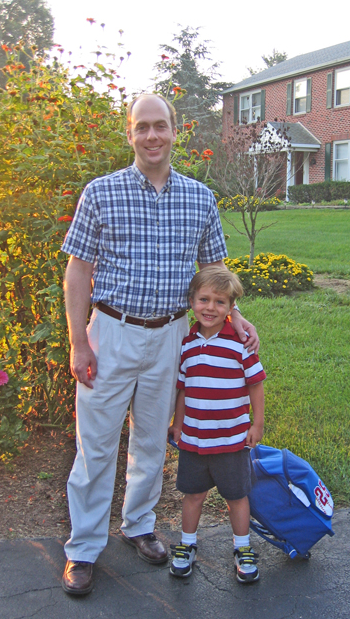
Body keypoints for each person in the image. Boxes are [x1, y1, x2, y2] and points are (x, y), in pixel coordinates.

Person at [60, 94, 258, 596]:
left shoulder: (199, 198)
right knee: (96, 445)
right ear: (130, 133)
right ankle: (83, 548)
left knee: (151, 439)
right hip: (111, 332)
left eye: (160, 126)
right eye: (142, 126)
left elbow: (215, 270)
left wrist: (235, 315)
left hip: (172, 335)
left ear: (175, 131)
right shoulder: (100, 192)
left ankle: (139, 525)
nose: (152, 136)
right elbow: (78, 271)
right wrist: (79, 341)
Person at [168, 265, 265, 584]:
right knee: (193, 495)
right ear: (192, 301)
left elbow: (255, 385)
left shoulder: (240, 343)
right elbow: (183, 389)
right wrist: (178, 424)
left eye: (220, 302)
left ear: (231, 307)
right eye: (204, 300)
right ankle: (187, 544)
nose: (210, 308)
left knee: (236, 496)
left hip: (232, 439)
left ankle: (242, 547)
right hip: (195, 440)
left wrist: (257, 424)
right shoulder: (186, 343)